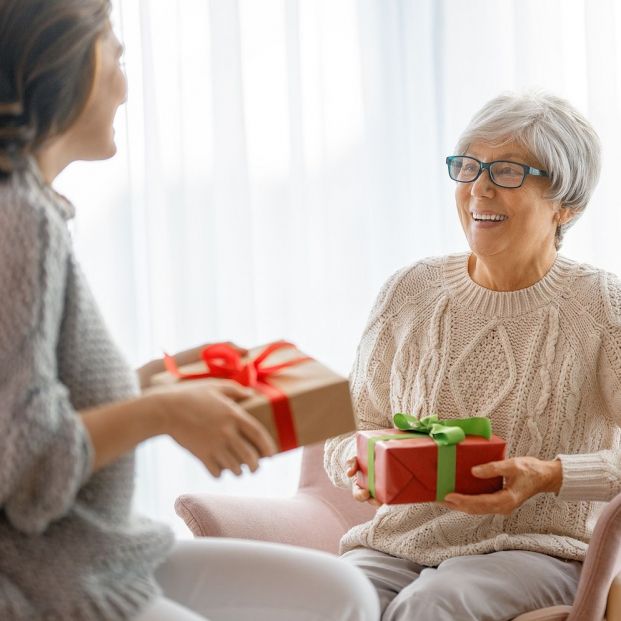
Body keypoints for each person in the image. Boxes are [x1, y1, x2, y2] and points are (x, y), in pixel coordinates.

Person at [0, 1, 380, 619]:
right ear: (68, 64)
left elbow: (31, 398)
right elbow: (26, 459)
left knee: (342, 594)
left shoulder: (32, 208)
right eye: (116, 57)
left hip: (100, 554)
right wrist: (164, 409)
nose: (125, 88)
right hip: (53, 583)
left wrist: (158, 381)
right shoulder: (21, 221)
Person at [325, 90, 618, 620]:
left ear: (565, 203)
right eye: (467, 167)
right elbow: (349, 421)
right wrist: (360, 464)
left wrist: (551, 474)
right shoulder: (409, 290)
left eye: (506, 171)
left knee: (430, 607)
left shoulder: (602, 307)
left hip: (536, 551)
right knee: (328, 599)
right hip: (397, 543)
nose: (478, 187)